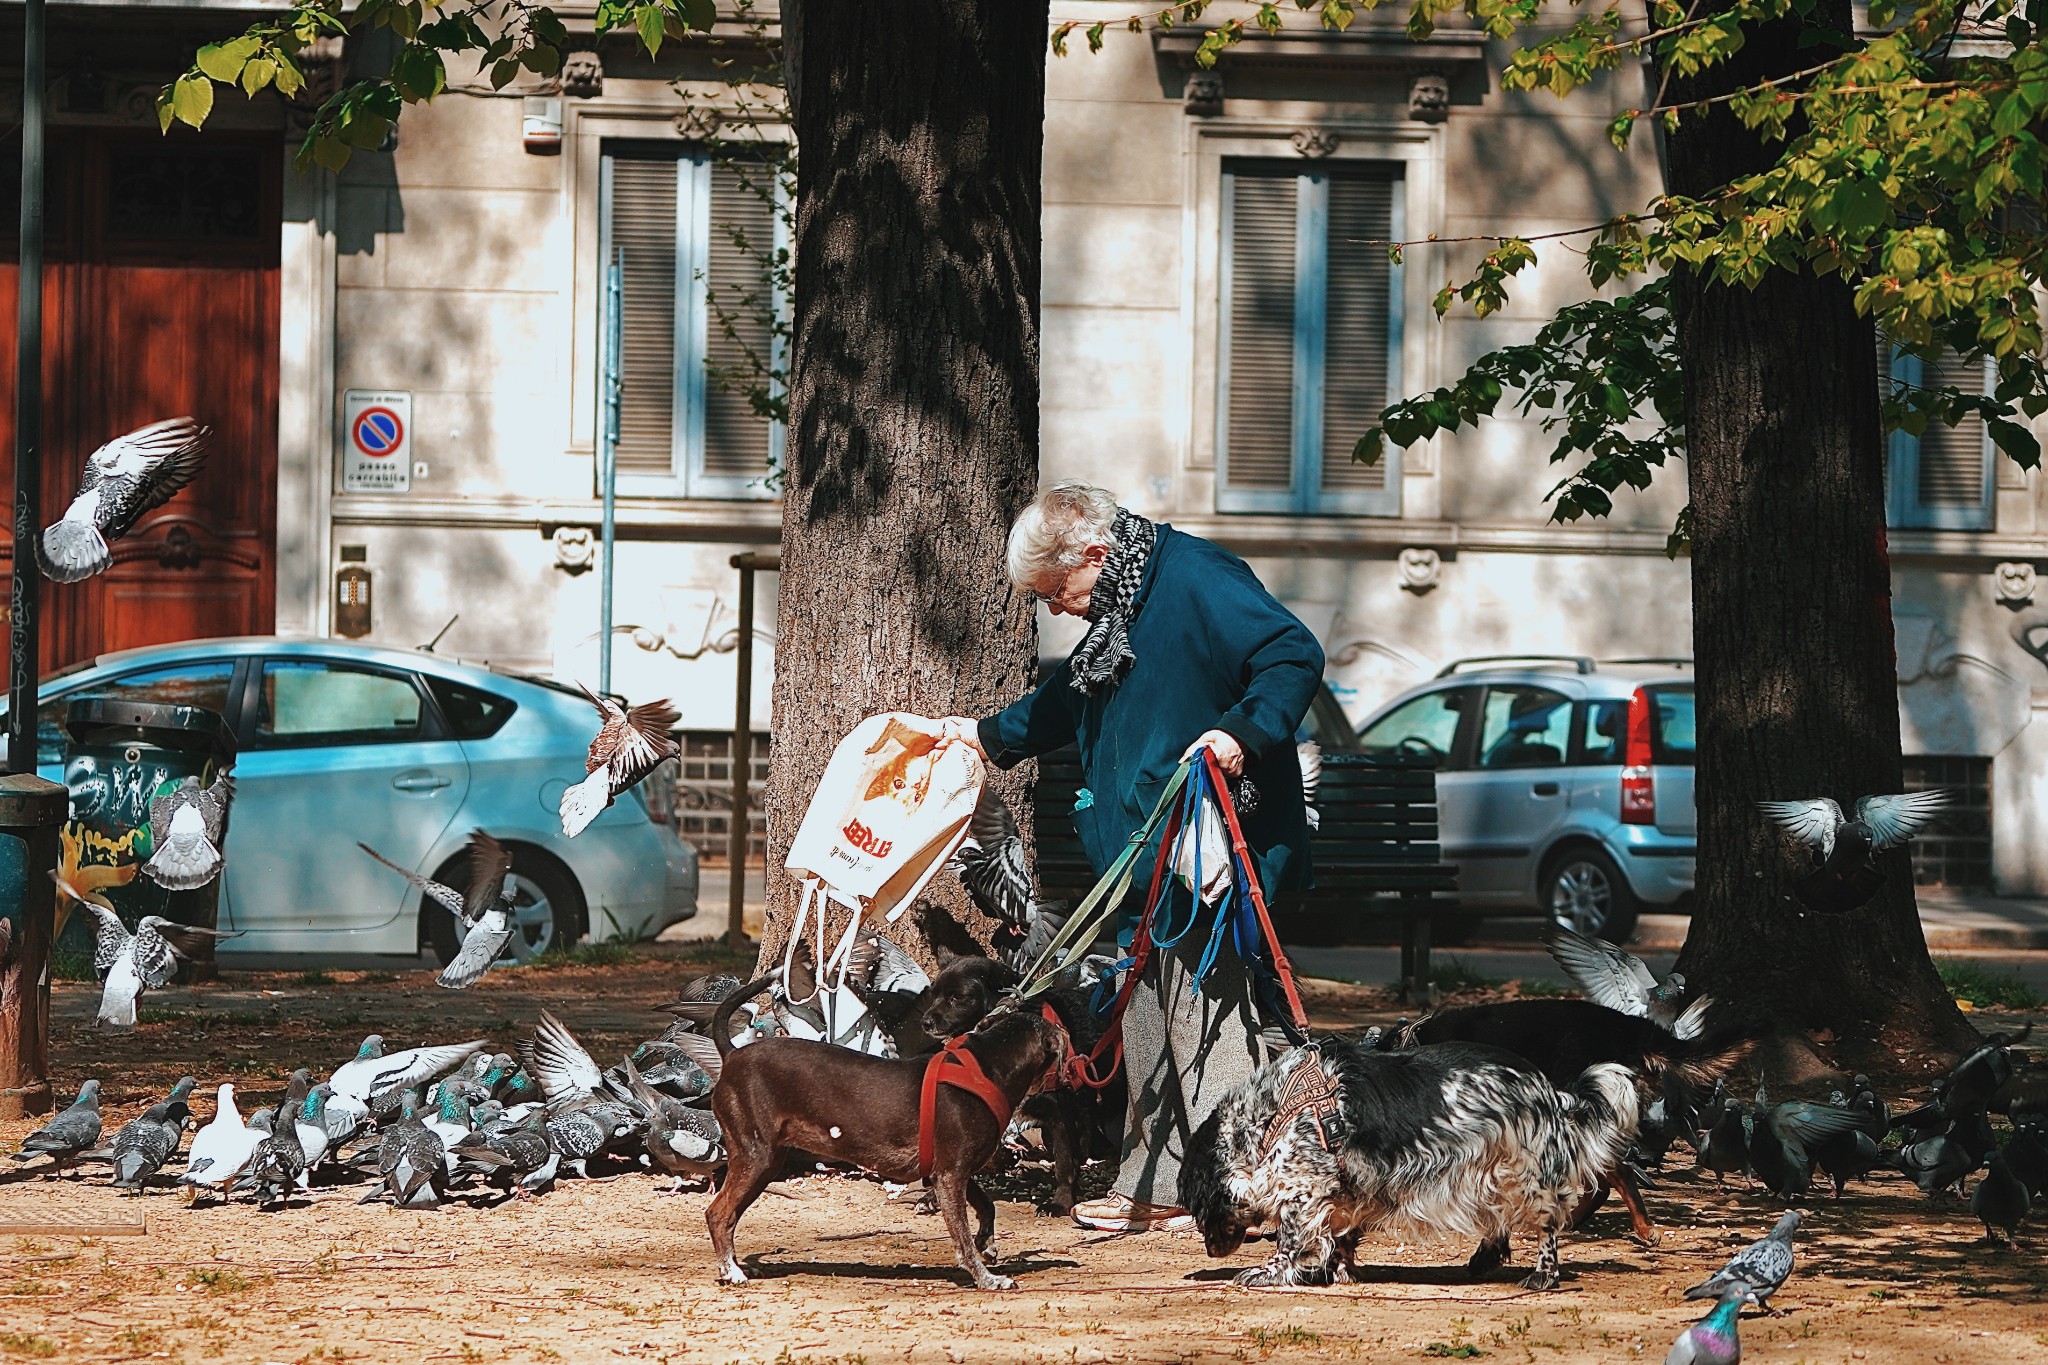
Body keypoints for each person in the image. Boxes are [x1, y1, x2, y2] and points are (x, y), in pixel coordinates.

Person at [945, 482, 1322, 1232]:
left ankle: (1241, 1188)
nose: (1056, 608)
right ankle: (1155, 1181)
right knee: (1145, 1006)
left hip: (1208, 848)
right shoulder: (1120, 606)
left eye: (1058, 590)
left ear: (1094, 552)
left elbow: (1291, 652)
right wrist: (985, 736)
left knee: (1202, 1011)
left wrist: (1239, 733)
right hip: (1146, 857)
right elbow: (1069, 704)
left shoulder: (1195, 577)